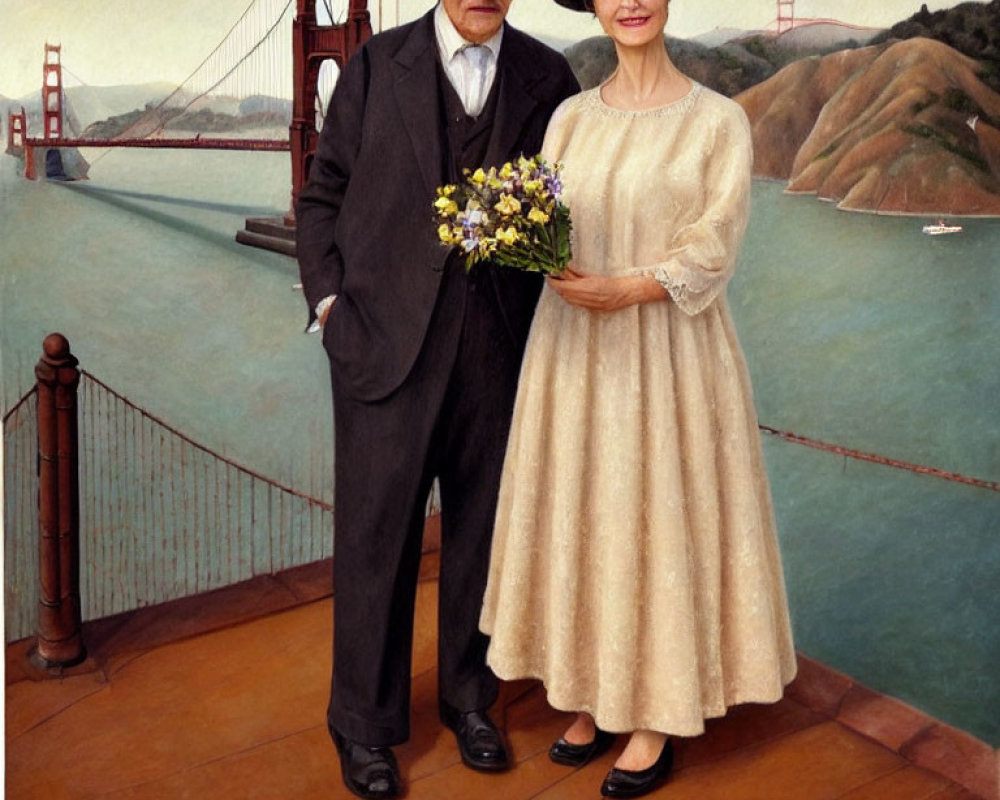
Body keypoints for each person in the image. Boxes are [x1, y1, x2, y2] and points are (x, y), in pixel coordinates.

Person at [478, 0, 798, 796]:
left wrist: (629, 287)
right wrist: (547, 260)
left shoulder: (718, 120)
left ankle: (654, 714)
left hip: (668, 353)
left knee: (656, 516)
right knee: (584, 511)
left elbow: (715, 244)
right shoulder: (570, 118)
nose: (630, 2)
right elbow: (545, 215)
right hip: (575, 352)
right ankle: (589, 694)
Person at [295, 0, 579, 797]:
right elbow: (322, 198)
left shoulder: (548, 77)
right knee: (375, 542)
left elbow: (567, 205)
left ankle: (470, 700)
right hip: (381, 349)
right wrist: (329, 309)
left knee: (483, 543)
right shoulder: (377, 66)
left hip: (498, 352)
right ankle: (363, 726)